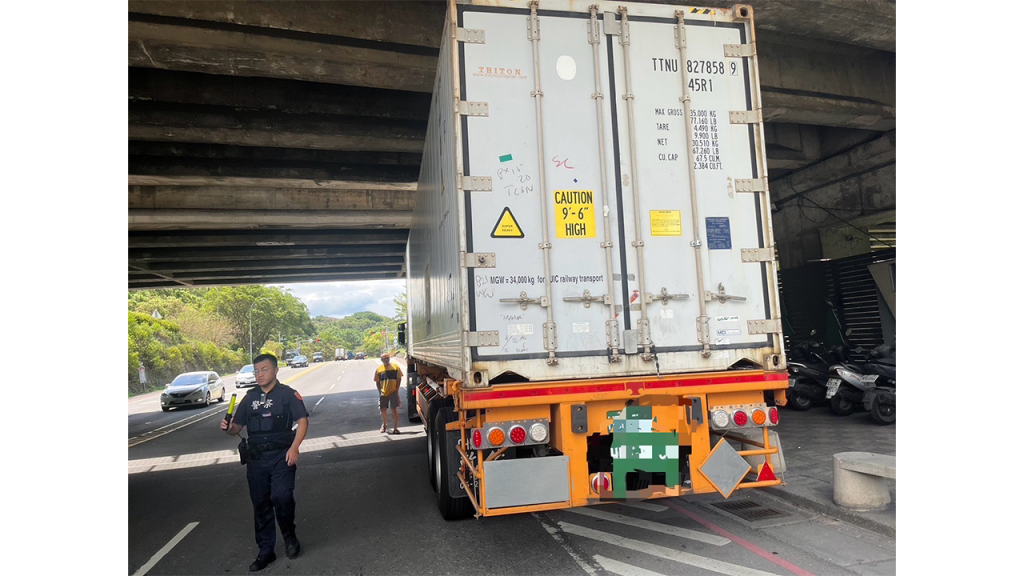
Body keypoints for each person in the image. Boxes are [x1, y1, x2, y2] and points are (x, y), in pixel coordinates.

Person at [220, 353, 309, 572]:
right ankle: (266, 551)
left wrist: (295, 447)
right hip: (257, 459)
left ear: (276, 371)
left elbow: (303, 420)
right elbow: (236, 429)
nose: (259, 374)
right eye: (256, 370)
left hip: (282, 455)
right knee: (261, 504)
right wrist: (228, 427)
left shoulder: (288, 395)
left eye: (264, 369)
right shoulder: (249, 398)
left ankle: (290, 538)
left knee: (282, 497)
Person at [375, 352, 404, 434]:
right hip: (383, 392)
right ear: (381, 360)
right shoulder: (379, 369)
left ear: (389, 358)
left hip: (393, 391)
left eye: (387, 358)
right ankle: (384, 424)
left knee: (394, 409)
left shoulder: (395, 367)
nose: (386, 359)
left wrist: (397, 389)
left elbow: (399, 379)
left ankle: (395, 428)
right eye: (384, 358)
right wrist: (380, 391)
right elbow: (377, 382)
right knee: (383, 409)